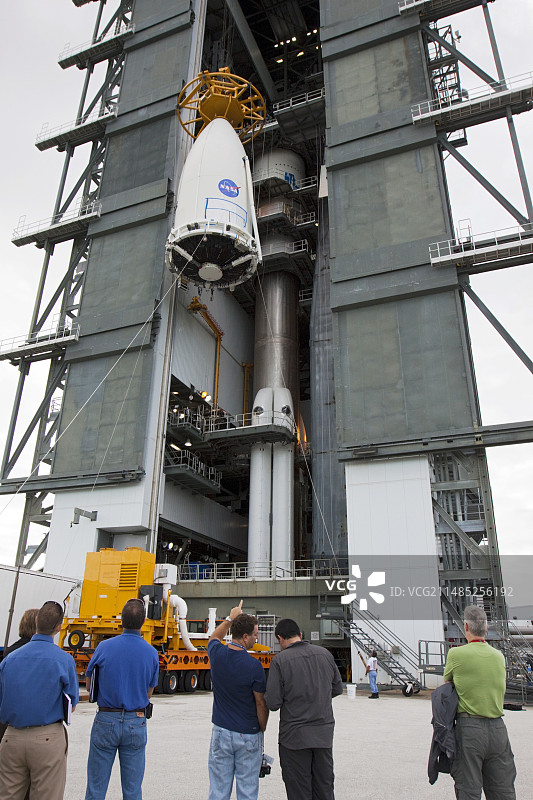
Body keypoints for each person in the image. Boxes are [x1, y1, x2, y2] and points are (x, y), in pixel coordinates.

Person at [0, 600, 79, 800]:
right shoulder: (64, 660)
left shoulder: (9, 659)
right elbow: (72, 702)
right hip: (47, 737)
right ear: (59, 626)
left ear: (36, 621)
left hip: (12, 736)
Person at [84, 598, 159, 800]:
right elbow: (149, 692)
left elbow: (89, 682)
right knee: (133, 790)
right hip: (136, 720)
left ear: (121, 620)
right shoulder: (151, 653)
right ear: (143, 622)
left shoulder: (103, 647)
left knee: (96, 788)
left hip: (106, 718)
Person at [264, 618, 343, 800]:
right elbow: (337, 688)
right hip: (323, 736)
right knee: (324, 788)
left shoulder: (280, 661)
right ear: (300, 635)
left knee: (299, 790)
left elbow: (273, 703)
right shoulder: (325, 655)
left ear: (280, 638)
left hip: (294, 739)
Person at [443, 605, 517, 799]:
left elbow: (447, 683)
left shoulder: (456, 654)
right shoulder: (498, 657)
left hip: (470, 728)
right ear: (486, 628)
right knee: (503, 791)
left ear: (465, 627)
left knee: (469, 789)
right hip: (498, 729)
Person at [207, 600, 268, 800]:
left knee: (218, 790)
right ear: (244, 637)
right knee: (247, 791)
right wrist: (262, 727)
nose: (255, 638)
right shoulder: (254, 666)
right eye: (255, 635)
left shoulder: (217, 655)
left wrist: (229, 618)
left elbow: (213, 637)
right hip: (248, 733)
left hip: (221, 731)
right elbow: (260, 703)